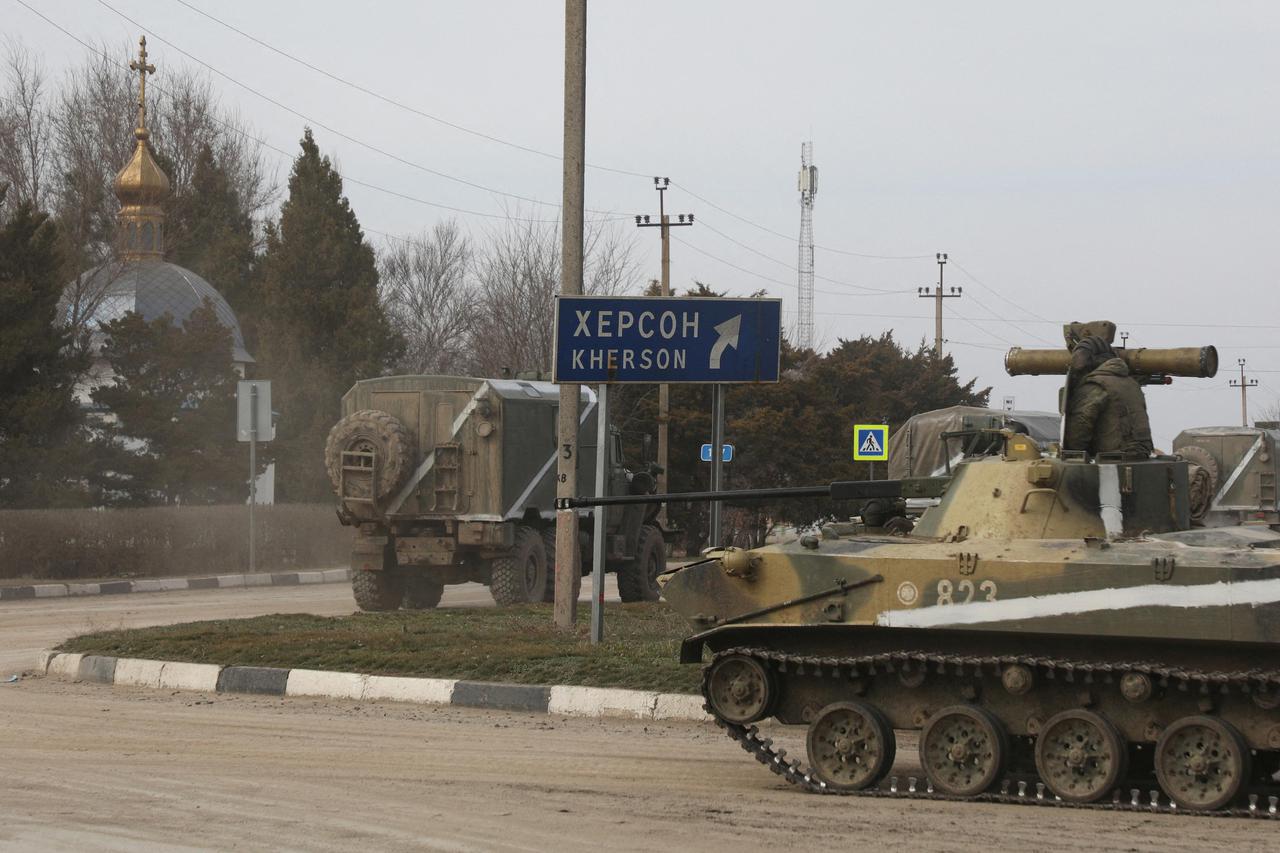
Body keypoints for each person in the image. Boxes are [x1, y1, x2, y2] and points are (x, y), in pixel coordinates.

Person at [1062, 336, 1154, 457]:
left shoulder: (1095, 385)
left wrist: (1074, 455)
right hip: (1140, 457)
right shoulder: (1131, 384)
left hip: (1111, 460)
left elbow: (1079, 427)